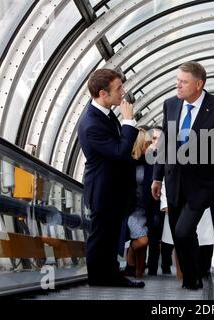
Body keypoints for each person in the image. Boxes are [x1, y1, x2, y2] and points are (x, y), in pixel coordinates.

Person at [151, 61, 214, 290]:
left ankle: (193, 279)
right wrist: (157, 177)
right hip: (174, 180)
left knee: (182, 231)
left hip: (202, 182)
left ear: (199, 84)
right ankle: (194, 277)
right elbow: (165, 142)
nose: (177, 85)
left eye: (183, 82)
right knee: (182, 234)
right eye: (177, 80)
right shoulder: (170, 105)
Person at [77, 68, 144, 288]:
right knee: (100, 236)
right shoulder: (91, 123)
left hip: (114, 188)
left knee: (111, 235)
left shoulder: (103, 114)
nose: (122, 93)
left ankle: (111, 275)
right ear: (103, 94)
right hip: (103, 189)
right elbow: (118, 152)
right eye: (118, 89)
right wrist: (128, 122)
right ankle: (97, 280)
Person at [146, 126, 175, 276]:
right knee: (154, 233)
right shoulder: (145, 158)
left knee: (168, 232)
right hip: (152, 202)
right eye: (153, 138)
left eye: (158, 138)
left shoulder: (169, 155)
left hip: (167, 200)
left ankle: (166, 263)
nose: (156, 141)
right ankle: (152, 267)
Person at [124, 128, 153, 279]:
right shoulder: (128, 163)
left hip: (146, 208)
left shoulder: (150, 162)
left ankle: (136, 270)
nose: (150, 146)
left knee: (143, 241)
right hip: (133, 210)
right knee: (142, 240)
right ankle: (130, 254)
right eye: (147, 143)